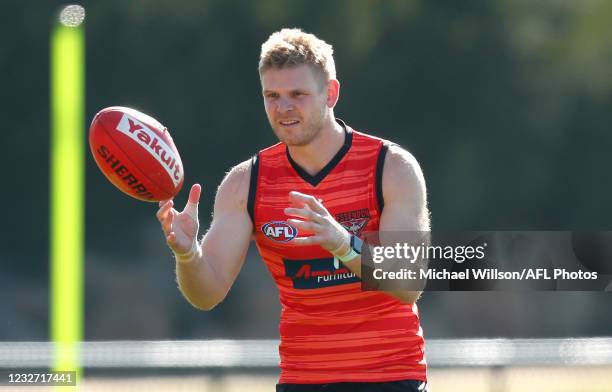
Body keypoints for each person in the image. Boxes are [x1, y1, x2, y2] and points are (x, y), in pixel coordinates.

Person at [156, 28, 430, 392]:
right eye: (272, 96)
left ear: (330, 93)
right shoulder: (245, 183)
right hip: (303, 379)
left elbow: (408, 282)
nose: (283, 108)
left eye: (297, 94)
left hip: (389, 377)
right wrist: (188, 254)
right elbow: (207, 294)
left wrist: (342, 243)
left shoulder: (390, 167)